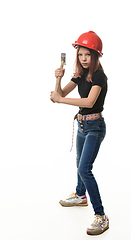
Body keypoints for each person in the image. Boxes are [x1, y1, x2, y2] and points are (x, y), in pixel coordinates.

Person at [50, 31, 109, 236]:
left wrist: (60, 98)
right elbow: (61, 94)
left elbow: (89, 102)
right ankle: (80, 195)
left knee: (85, 168)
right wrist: (58, 79)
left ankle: (101, 216)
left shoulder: (99, 76)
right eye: (81, 54)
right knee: (79, 164)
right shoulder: (79, 75)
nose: (84, 58)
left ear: (96, 56)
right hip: (82, 126)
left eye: (88, 55)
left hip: (95, 127)